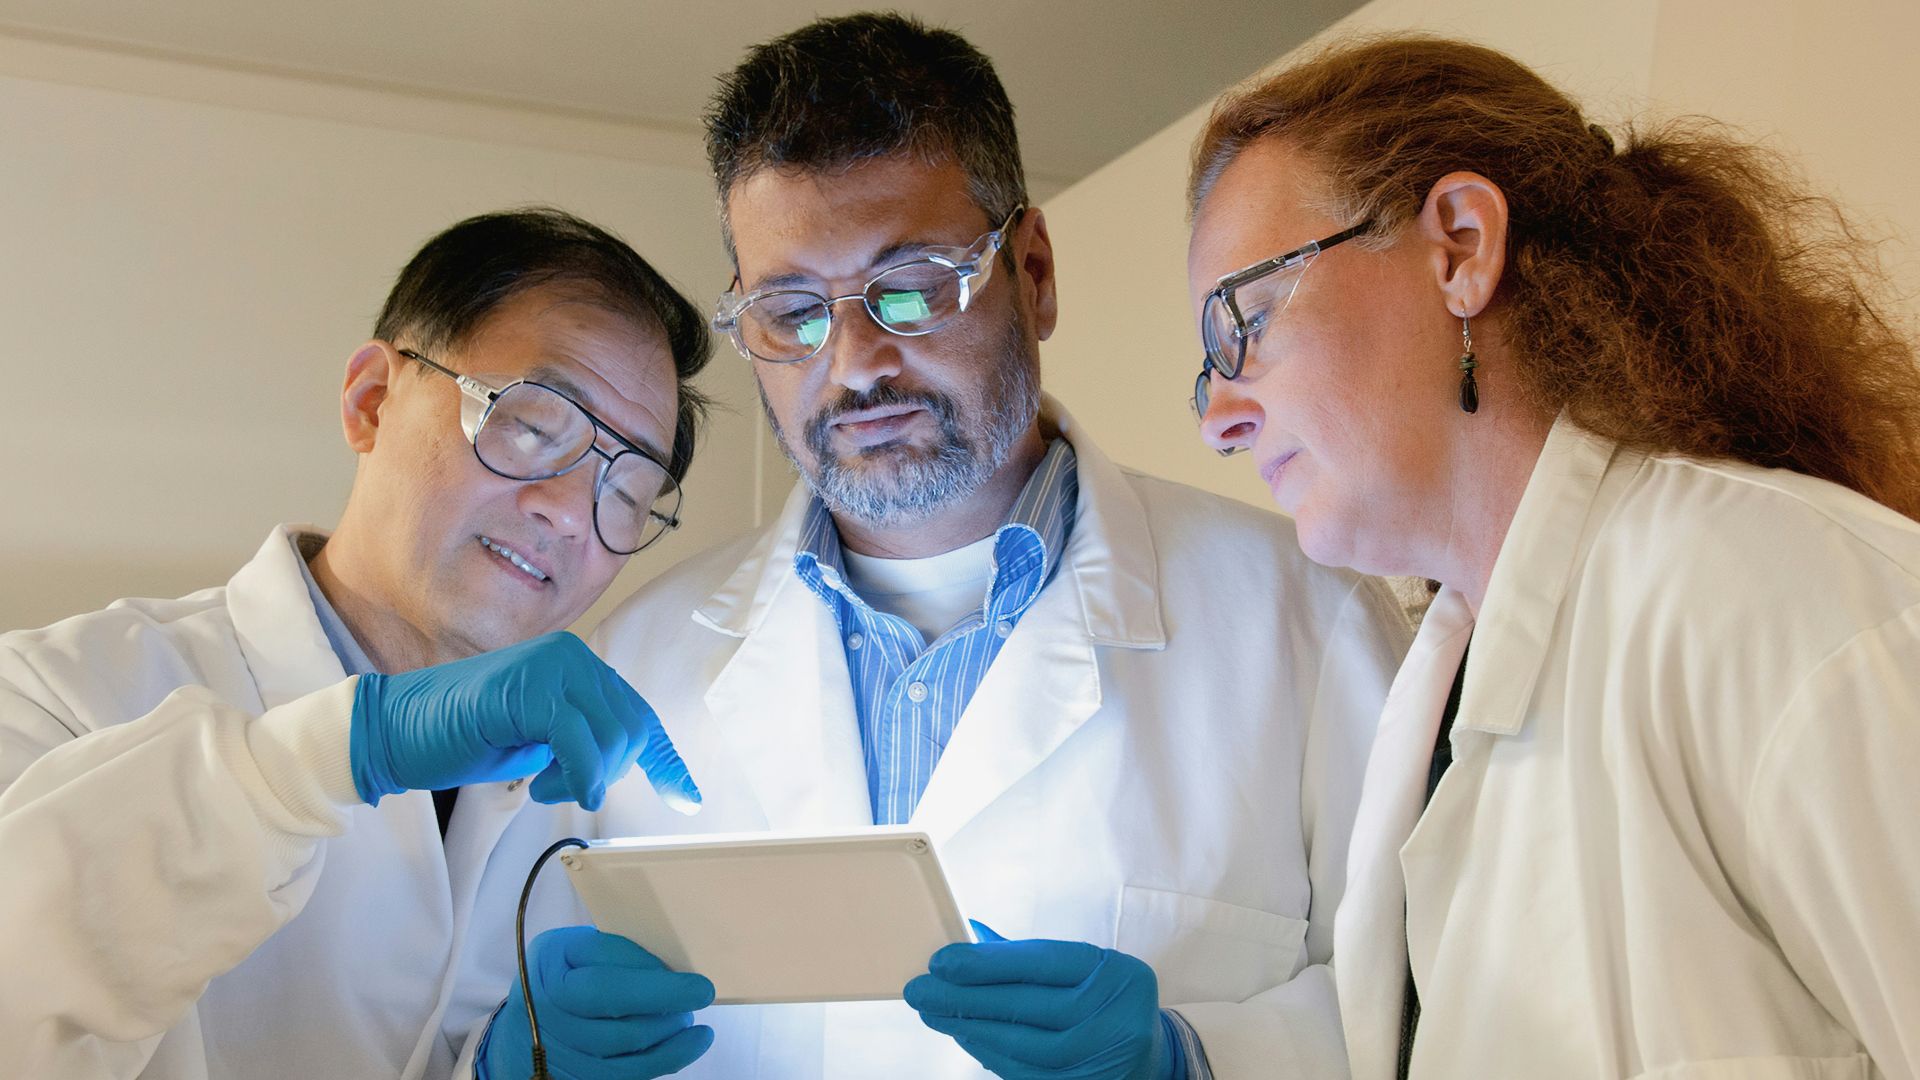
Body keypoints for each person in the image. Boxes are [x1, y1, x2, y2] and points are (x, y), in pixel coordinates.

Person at [514, 13, 1413, 1080]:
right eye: (791, 310)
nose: (852, 365)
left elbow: (1432, 1007)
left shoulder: (1310, 620)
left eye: (914, 284)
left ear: (1031, 272)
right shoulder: (631, 669)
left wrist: (1199, 1059)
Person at [1185, 34, 1920, 1080]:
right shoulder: (1435, 697)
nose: (1217, 416)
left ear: (1460, 245)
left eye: (1242, 322)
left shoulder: (1785, 599)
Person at [0, 208, 718, 1079]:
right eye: (533, 425)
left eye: (631, 488)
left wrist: (500, 1070)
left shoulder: (593, 803)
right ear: (370, 401)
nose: (569, 512)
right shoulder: (57, 691)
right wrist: (315, 762)